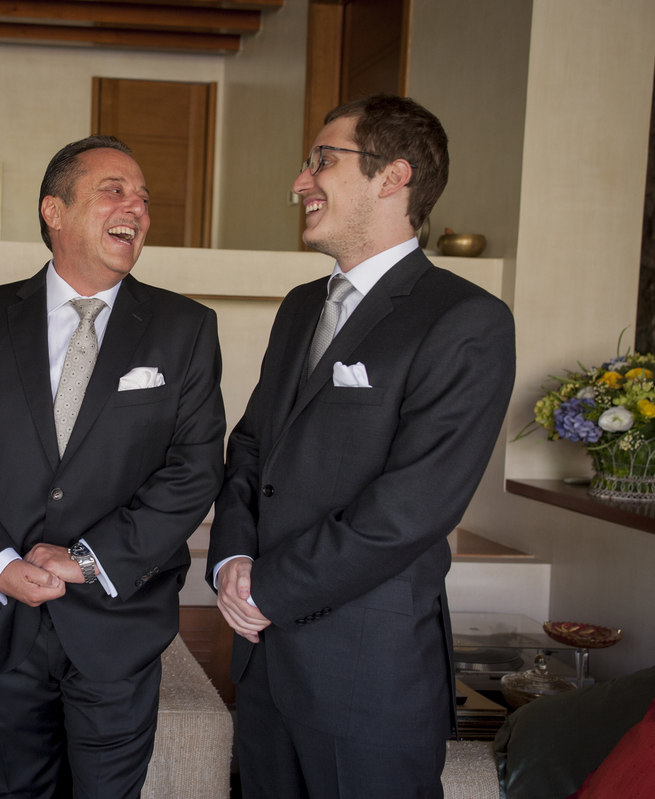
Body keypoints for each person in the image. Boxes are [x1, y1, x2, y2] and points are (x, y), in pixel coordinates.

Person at [207, 95, 515, 799]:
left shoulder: (467, 320)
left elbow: (410, 509)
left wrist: (269, 590)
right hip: (263, 662)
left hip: (368, 679)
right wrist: (231, 560)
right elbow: (252, 447)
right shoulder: (299, 308)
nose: (300, 181)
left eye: (322, 160)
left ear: (392, 176)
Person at [0, 135, 225, 799]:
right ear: (54, 211)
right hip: (2, 619)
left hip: (117, 623)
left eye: (143, 197)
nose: (136, 207)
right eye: (115, 190)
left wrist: (89, 559)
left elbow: (195, 469)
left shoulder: (186, 328)